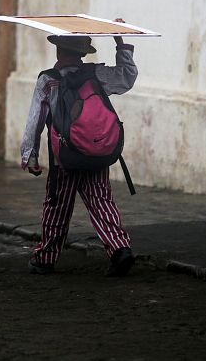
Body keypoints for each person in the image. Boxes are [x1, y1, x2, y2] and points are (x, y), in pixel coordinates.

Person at [20, 28, 137, 276]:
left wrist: (30, 155)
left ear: (59, 49)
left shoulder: (48, 79)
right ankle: (119, 248)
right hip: (96, 150)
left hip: (65, 155)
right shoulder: (95, 74)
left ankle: (46, 257)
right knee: (102, 201)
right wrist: (120, 43)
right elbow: (126, 78)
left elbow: (35, 120)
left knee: (57, 204)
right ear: (83, 53)